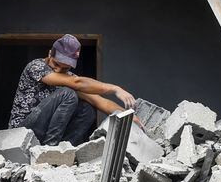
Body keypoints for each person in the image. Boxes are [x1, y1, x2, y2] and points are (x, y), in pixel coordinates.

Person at [7, 34, 137, 146]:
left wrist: (130, 117)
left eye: (64, 69)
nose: (58, 70)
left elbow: (101, 102)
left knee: (87, 110)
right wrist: (115, 88)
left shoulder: (69, 79)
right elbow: (77, 82)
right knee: (68, 94)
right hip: (22, 130)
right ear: (49, 53)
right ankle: (49, 149)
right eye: (56, 64)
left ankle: (62, 150)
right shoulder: (36, 66)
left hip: (44, 132)